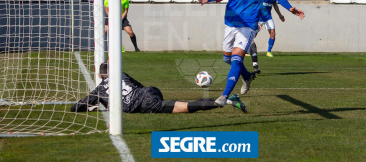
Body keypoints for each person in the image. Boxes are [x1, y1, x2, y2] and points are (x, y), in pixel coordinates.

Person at [198, 0, 305, 107]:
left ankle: (224, 96)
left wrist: (290, 8)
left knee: (236, 60)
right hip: (231, 23)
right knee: (227, 59)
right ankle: (247, 77)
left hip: (248, 25)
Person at [71, 62, 247, 114]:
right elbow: (138, 85)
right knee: (178, 104)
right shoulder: (122, 74)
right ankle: (228, 100)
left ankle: (224, 102)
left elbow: (77, 106)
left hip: (144, 104)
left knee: (186, 106)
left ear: (101, 76)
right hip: (149, 91)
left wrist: (91, 103)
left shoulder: (99, 90)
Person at [248, 0, 287, 74]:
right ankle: (247, 49)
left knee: (272, 32)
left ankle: (268, 51)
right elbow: (255, 5)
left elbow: (275, 5)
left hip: (268, 18)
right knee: (253, 35)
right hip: (259, 18)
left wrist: (280, 15)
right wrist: (256, 19)